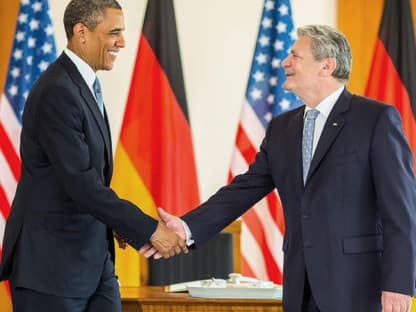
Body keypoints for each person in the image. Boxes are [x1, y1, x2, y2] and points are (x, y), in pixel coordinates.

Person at [140, 25, 416, 311]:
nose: (285, 62)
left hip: (357, 287)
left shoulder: (375, 119)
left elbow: (401, 211)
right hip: (300, 286)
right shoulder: (283, 128)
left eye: (295, 56)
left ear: (326, 65)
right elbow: (244, 189)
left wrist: (398, 284)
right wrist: (186, 227)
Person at [0, 0, 188, 311]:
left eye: (123, 32)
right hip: (52, 269)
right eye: (113, 32)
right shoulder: (56, 90)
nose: (122, 42)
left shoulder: (84, 85)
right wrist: (148, 229)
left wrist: (115, 222)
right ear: (81, 32)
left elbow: (87, 178)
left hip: (93, 264)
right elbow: (81, 183)